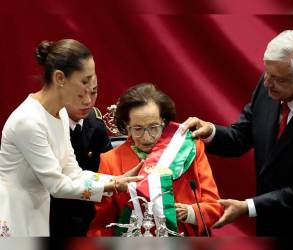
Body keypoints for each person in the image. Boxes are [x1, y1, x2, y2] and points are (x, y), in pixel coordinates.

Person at [0, 39, 143, 237]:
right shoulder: (28, 121)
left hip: (38, 207)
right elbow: (58, 185)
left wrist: (114, 179)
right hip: (14, 211)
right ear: (60, 78)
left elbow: (71, 171)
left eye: (92, 79)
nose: (91, 87)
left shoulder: (62, 113)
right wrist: (112, 186)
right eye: (85, 81)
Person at [182, 30, 293, 236]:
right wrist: (208, 131)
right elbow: (239, 139)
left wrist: (248, 207)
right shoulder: (267, 89)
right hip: (269, 228)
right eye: (267, 74)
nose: (267, 84)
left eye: (278, 79)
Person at [88, 83, 223, 236]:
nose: (147, 137)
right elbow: (102, 224)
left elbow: (214, 207)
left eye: (154, 127)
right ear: (127, 126)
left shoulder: (190, 148)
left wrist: (189, 213)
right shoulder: (110, 161)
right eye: (138, 129)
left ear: (164, 121)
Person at [50, 75, 113, 236]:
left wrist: (116, 181)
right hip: (50, 210)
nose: (88, 101)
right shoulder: (47, 124)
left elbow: (106, 167)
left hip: (88, 208)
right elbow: (55, 183)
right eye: (80, 95)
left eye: (93, 93)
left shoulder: (95, 122)